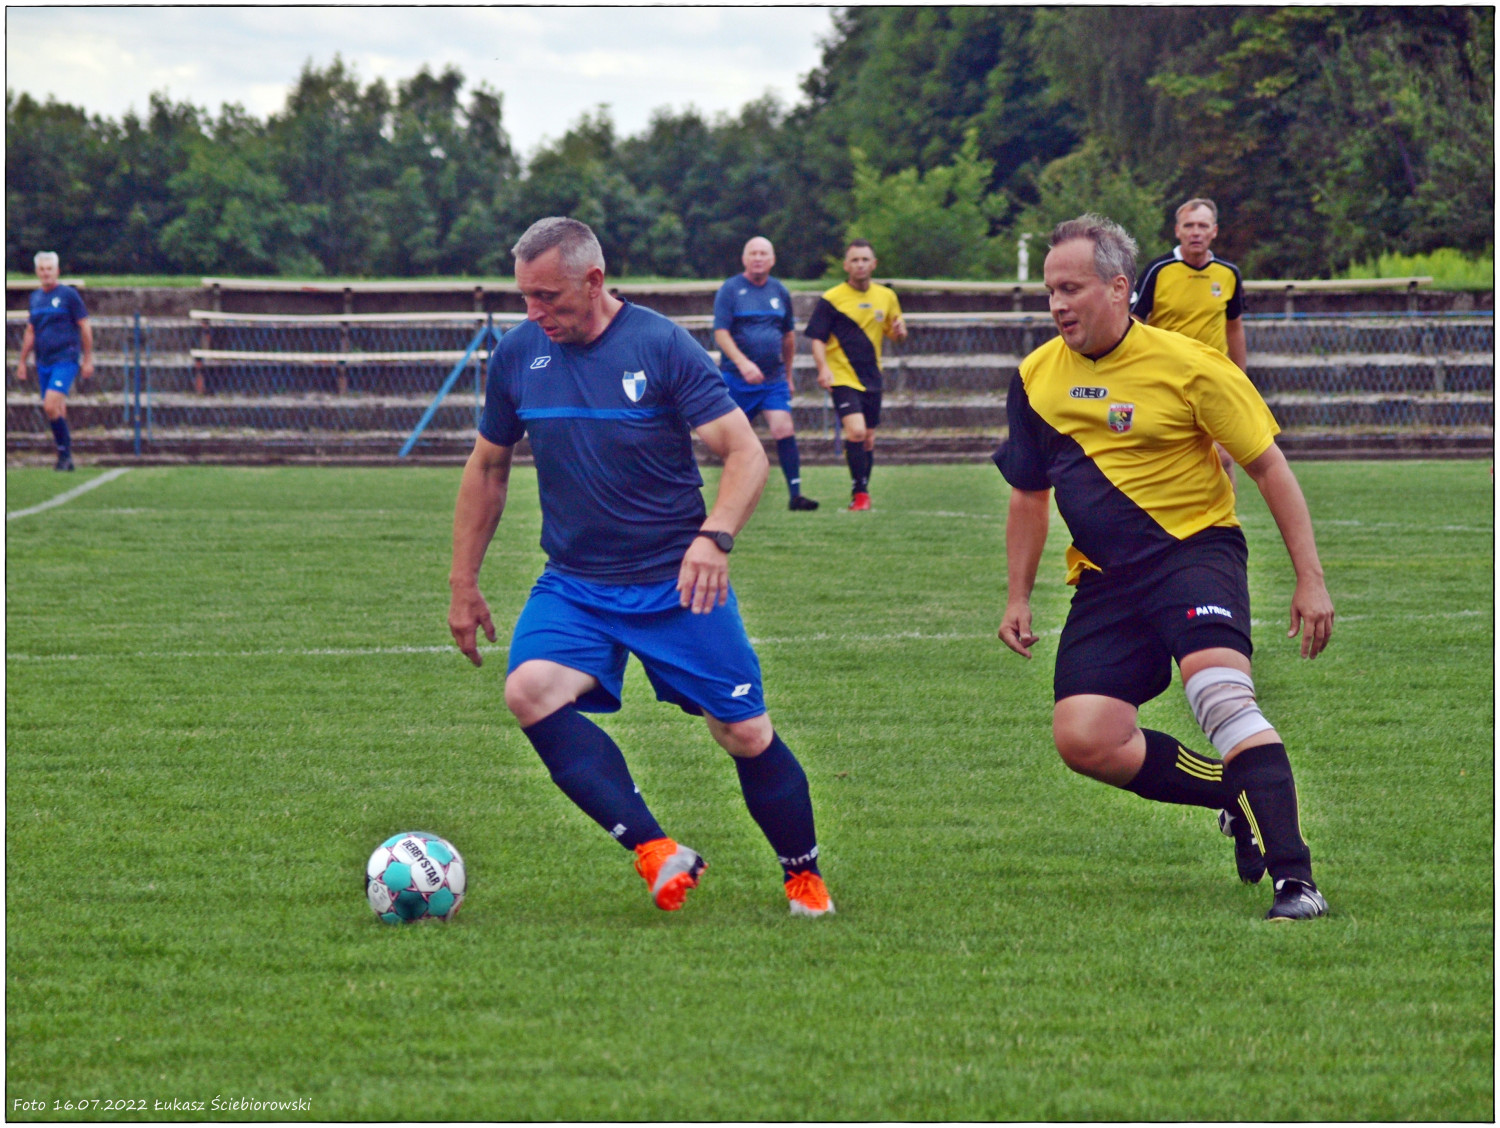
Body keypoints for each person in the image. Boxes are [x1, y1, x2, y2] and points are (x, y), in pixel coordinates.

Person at [448, 217, 833, 918]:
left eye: (548, 297)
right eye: (524, 298)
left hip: (677, 579)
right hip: (576, 583)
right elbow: (488, 467)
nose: (534, 314)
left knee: (743, 733)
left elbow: (744, 453)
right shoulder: (519, 356)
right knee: (529, 690)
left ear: (593, 280)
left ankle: (802, 875)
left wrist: (713, 538)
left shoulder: (659, 346)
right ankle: (657, 850)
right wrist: (462, 582)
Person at [995, 214, 1335, 922]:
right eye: (1051, 291)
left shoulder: (1190, 365)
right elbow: (1029, 495)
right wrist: (1017, 595)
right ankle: (1233, 794)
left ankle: (1296, 880)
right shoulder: (1034, 378)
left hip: (1193, 554)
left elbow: (1269, 468)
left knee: (1220, 698)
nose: (1058, 304)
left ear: (1119, 288)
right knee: (1084, 737)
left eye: (1073, 288)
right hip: (1104, 578)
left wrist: (1311, 578)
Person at [1132, 198, 1246, 480]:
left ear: (1214, 231)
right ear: (1178, 231)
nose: (1196, 232)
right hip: (1165, 378)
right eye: (1189, 225)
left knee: (1224, 456)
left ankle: (1226, 523)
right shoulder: (1158, 270)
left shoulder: (1228, 273)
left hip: (1214, 378)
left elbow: (1235, 326)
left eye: (1203, 226)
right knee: (1165, 457)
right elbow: (1133, 322)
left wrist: (1240, 377)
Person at [713, 236, 818, 511]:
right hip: (736, 379)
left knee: (783, 428)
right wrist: (744, 363)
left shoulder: (779, 291)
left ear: (772, 259)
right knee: (734, 441)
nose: (758, 257)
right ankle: (733, 498)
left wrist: (788, 375)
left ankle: (796, 495)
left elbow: (788, 337)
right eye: (753, 253)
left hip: (773, 380)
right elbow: (721, 333)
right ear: (744, 258)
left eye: (764, 253)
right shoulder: (731, 289)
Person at [805, 239, 908, 511]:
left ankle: (861, 492)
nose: (860, 264)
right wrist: (823, 368)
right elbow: (816, 338)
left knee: (869, 437)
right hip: (841, 376)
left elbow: (895, 332)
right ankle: (860, 493)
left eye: (865, 259)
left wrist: (899, 333)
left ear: (873, 264)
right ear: (846, 265)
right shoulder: (832, 299)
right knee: (857, 431)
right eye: (855, 260)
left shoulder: (886, 296)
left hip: (872, 376)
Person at [15, 251, 93, 471]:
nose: (46, 273)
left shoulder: (68, 295)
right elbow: (31, 331)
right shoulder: (36, 298)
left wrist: (87, 358)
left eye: (49, 269)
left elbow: (85, 325)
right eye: (42, 269)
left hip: (65, 358)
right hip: (43, 360)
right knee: (57, 409)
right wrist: (22, 361)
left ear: (57, 271)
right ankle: (65, 458)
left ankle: (64, 454)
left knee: (49, 405)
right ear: (37, 272)